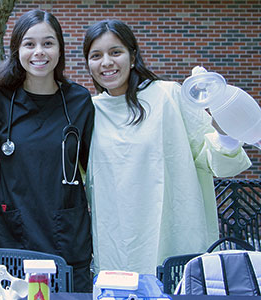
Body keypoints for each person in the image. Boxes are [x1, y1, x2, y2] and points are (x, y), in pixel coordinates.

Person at [82, 19, 252, 275]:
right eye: (96, 55)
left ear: (133, 55)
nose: (106, 62)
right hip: (116, 245)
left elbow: (216, 160)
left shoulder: (170, 96)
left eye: (115, 52)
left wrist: (225, 128)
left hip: (175, 237)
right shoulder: (89, 111)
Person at [0, 9, 94, 292]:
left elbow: (91, 166)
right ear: (16, 49)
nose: (39, 52)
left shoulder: (79, 101)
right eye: (29, 44)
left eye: (48, 43)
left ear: (60, 49)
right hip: (13, 229)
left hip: (65, 229)